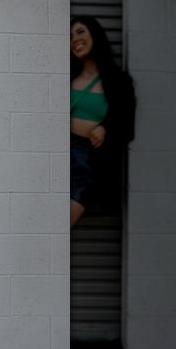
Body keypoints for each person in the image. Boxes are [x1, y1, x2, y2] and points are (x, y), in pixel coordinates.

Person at [70, 16, 136, 227]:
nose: (74, 39)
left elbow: (126, 124)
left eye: (80, 32)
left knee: (57, 229)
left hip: (87, 162)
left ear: (95, 35)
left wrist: (106, 129)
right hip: (59, 156)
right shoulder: (66, 77)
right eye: (70, 36)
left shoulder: (117, 81)